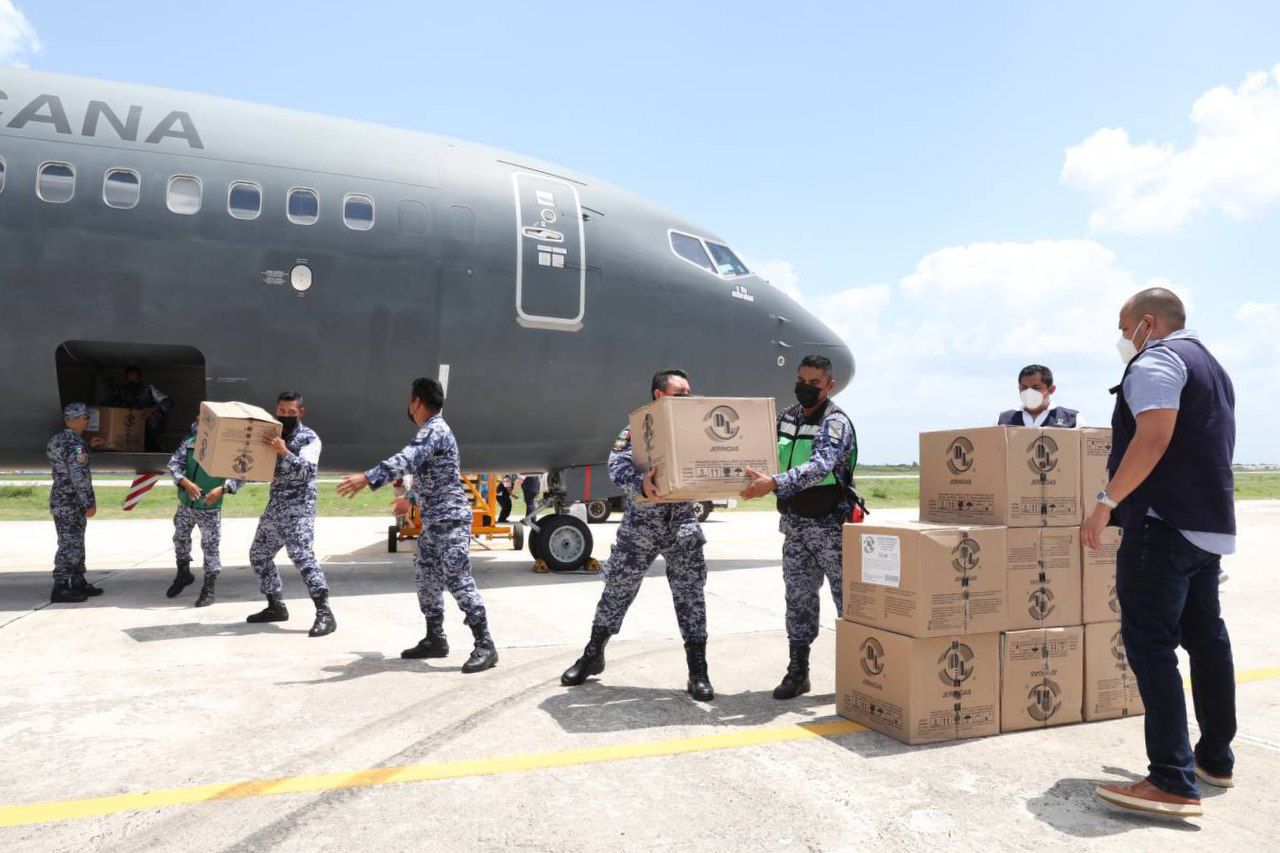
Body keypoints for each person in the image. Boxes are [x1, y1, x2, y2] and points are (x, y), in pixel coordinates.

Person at [1087, 288, 1236, 819]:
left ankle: (1171, 779)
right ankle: (1215, 757)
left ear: (1147, 323)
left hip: (1162, 526)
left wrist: (1106, 503)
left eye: (1125, 327)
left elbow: (1151, 439)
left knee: (1151, 647)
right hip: (1207, 528)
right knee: (1206, 640)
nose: (1123, 338)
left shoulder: (1158, 360)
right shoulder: (1212, 367)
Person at [560, 369, 713, 701]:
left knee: (691, 597)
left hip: (682, 524)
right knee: (617, 590)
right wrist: (640, 483)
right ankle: (592, 655)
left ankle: (698, 671)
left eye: (690, 392)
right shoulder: (637, 430)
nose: (688, 397)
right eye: (681, 392)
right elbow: (616, 468)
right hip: (640, 526)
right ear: (660, 395)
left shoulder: (698, 430)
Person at [338, 378, 498, 672]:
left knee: (457, 578)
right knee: (426, 578)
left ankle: (485, 644)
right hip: (434, 522)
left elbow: (408, 459)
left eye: (410, 401)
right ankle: (435, 638)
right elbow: (432, 476)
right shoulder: (432, 430)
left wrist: (368, 477)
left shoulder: (434, 430)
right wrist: (410, 499)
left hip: (449, 520)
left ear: (416, 402)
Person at [741, 354, 858, 700]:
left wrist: (774, 483)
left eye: (814, 384)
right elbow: (759, 450)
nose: (805, 388)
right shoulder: (785, 418)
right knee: (798, 599)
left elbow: (822, 465)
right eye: (802, 381)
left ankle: (858, 673)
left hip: (830, 528)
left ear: (830, 385)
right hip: (794, 526)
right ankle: (798, 672)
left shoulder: (834, 422)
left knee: (847, 603)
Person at [243, 392, 336, 637]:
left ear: (301, 413)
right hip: (276, 508)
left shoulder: (309, 439)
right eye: (281, 412)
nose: (284, 417)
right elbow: (255, 468)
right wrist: (228, 485)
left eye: (290, 413)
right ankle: (276, 605)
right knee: (259, 555)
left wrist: (283, 451)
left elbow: (307, 472)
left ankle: (325, 613)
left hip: (299, 510)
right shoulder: (271, 436)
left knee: (302, 558)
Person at [165, 421, 238, 606]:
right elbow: (174, 464)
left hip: (209, 506)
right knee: (180, 539)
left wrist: (223, 489)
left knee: (210, 547)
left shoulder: (226, 447)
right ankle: (183, 574)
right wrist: (184, 482)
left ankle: (208, 589)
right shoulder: (189, 442)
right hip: (186, 504)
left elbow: (240, 474)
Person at [47, 403, 104, 603]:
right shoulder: (76, 444)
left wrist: (89, 447)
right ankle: (61, 587)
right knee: (70, 545)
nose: (87, 421)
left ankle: (78, 581)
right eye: (85, 418)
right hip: (71, 501)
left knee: (74, 542)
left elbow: (67, 461)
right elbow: (78, 476)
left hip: (62, 499)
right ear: (76, 419)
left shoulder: (59, 440)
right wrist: (89, 501)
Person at [109, 365, 172, 450]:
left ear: (141, 379)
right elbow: (108, 408)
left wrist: (151, 410)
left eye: (135, 379)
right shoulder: (119, 392)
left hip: (149, 429)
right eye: (129, 379)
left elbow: (167, 402)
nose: (132, 382)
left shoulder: (149, 389)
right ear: (125, 380)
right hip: (125, 430)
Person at [997, 364, 1082, 427]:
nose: (1029, 393)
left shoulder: (1072, 419)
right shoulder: (1003, 420)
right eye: (1024, 388)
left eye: (1036, 388)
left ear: (1051, 389)